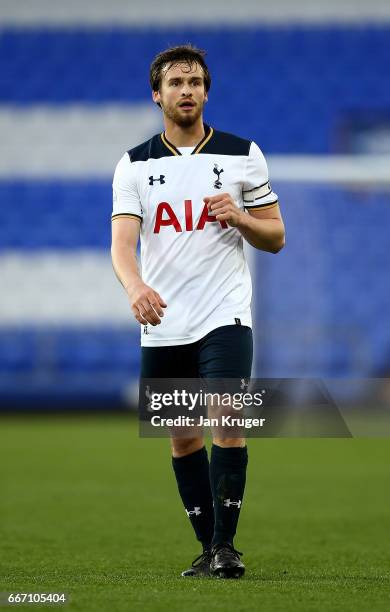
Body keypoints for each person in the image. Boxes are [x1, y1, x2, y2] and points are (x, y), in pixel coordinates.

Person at [111, 44, 285, 578]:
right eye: (175, 82)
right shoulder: (135, 164)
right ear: (157, 94)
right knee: (183, 436)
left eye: (195, 81)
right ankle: (208, 548)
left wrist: (240, 218)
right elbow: (122, 244)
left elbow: (275, 236)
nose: (186, 90)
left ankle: (226, 547)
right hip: (164, 321)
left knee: (228, 420)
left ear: (207, 92)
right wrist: (135, 286)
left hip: (224, 315)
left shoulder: (242, 154)